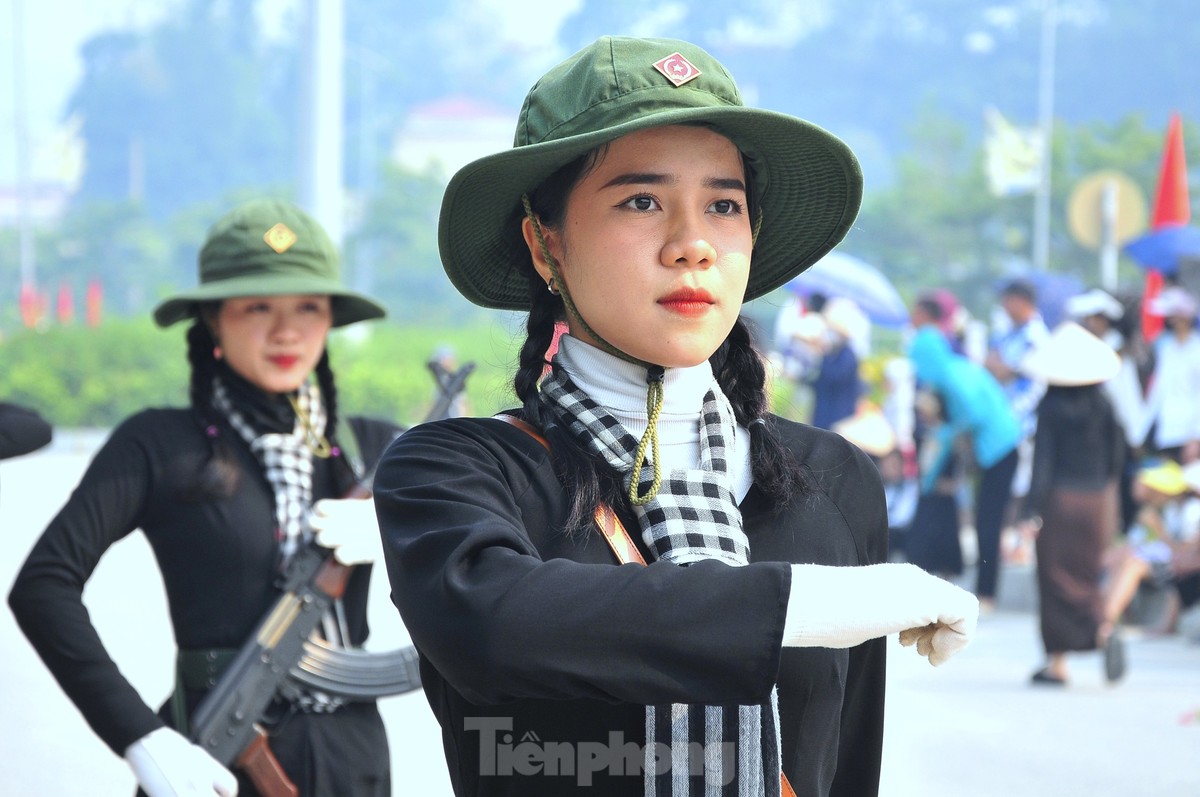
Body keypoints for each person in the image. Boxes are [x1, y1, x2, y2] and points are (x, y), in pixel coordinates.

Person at [374, 36, 978, 797]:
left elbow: (846, 766)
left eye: (723, 205)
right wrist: (811, 599)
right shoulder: (460, 468)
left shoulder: (833, 479)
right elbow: (498, 627)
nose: (692, 244)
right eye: (641, 200)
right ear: (544, 240)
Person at [8, 198, 400, 797]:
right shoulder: (160, 445)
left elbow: (493, 576)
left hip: (354, 763)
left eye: (308, 306)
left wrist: (409, 535)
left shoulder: (375, 449)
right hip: (210, 761)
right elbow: (43, 585)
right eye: (258, 306)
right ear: (214, 319)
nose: (287, 329)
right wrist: (139, 736)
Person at [1017, 322, 1125, 686]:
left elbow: (1042, 463)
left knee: (1055, 578)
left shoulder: (1051, 406)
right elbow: (1117, 459)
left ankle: (1057, 662)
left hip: (1061, 502)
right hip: (1097, 502)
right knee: (1087, 575)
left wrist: (1029, 510)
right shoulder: (1106, 404)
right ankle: (1102, 630)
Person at [908, 321, 1021, 611]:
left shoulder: (951, 376)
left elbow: (975, 415)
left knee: (988, 523)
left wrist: (950, 435)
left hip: (1000, 450)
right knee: (984, 520)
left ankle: (987, 595)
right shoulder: (955, 369)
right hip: (994, 452)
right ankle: (985, 591)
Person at [1140, 285, 1200, 463]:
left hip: (1190, 435)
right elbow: (1159, 390)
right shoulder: (1166, 348)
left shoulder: (1197, 349)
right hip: (1167, 431)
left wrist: (1195, 436)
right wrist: (1141, 431)